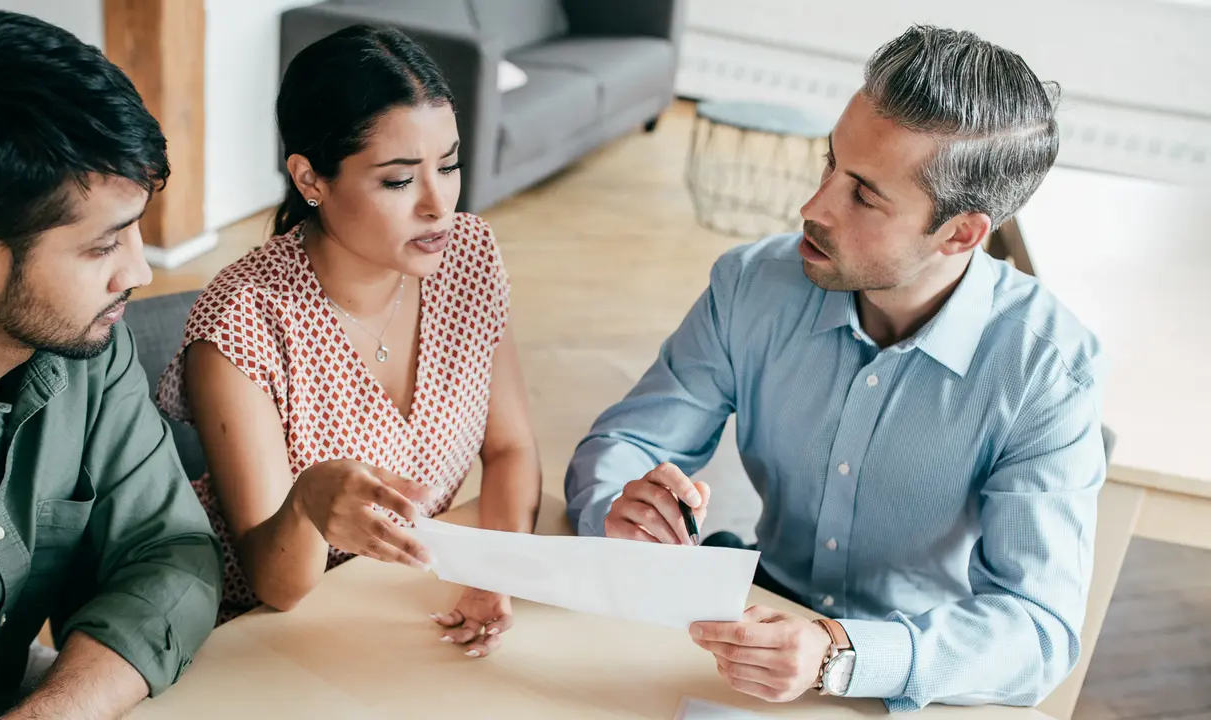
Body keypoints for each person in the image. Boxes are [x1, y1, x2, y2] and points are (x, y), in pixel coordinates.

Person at [566, 25, 1105, 710]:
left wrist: (840, 655)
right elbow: (626, 445)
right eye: (830, 165)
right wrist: (621, 507)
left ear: (961, 232)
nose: (812, 208)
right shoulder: (750, 284)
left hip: (914, 681)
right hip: (741, 633)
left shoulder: (1047, 373)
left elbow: (1036, 629)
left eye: (865, 196)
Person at [156, 24, 541, 658]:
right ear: (311, 179)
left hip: (403, 599)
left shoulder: (468, 255)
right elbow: (274, 585)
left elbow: (511, 447)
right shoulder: (241, 318)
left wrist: (491, 573)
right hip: (261, 633)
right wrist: (310, 503)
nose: (438, 204)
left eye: (448, 166)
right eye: (398, 181)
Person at [0, 11, 221, 720]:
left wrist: (52, 712)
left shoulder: (87, 349)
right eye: (103, 246)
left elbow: (170, 553)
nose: (139, 272)